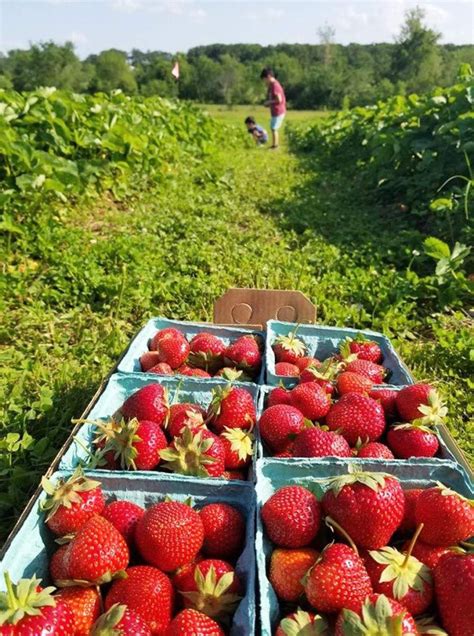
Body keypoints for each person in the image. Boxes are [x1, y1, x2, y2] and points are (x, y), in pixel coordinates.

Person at [261, 67, 286, 149]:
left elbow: (279, 99)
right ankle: (274, 145)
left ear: (268, 76)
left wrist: (269, 102)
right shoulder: (271, 85)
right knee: (273, 127)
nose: (264, 82)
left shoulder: (275, 85)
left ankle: (275, 146)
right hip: (275, 111)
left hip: (278, 111)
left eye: (264, 80)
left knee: (274, 128)